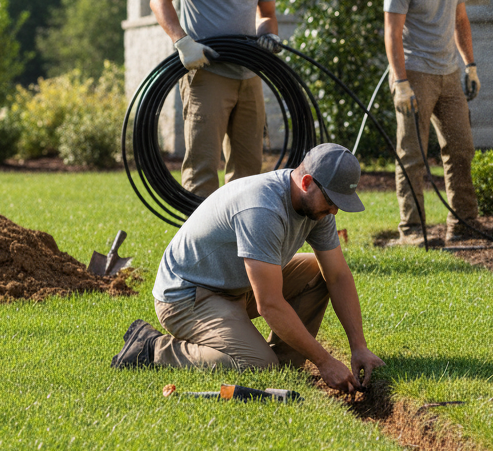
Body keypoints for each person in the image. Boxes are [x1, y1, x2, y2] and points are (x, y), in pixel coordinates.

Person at [110, 143, 384, 393]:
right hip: (187, 296)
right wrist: (324, 361)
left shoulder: (317, 207)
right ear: (307, 182)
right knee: (256, 365)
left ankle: (285, 362)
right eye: (332, 201)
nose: (334, 211)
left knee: (317, 271)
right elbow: (270, 304)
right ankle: (152, 348)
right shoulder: (263, 208)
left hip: (235, 287)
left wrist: (358, 345)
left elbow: (337, 275)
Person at [150, 0, 288, 198]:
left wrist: (268, 35)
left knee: (249, 175)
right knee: (202, 171)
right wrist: (182, 42)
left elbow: (266, 13)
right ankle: (197, 246)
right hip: (208, 74)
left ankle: (239, 245)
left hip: (249, 75)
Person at [383, 0, 481, 245]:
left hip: (449, 73)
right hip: (416, 73)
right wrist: (400, 83)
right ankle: (412, 230)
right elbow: (392, 33)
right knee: (412, 154)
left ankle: (464, 224)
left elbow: (460, 20)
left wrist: (470, 65)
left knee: (461, 148)